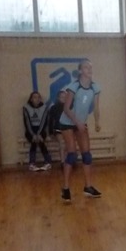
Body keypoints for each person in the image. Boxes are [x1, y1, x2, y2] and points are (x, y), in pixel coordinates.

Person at [57, 59, 102, 203]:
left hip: (81, 123)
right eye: (86, 67)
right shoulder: (74, 86)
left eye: (90, 67)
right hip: (67, 122)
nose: (89, 69)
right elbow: (66, 108)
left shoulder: (95, 87)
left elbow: (96, 107)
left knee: (87, 155)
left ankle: (88, 187)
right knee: (71, 154)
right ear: (80, 71)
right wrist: (77, 123)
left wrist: (97, 121)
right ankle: (65, 188)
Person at [23, 91, 52, 171]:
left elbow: (44, 121)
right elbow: (27, 122)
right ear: (31, 99)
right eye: (35, 97)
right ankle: (32, 164)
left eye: (38, 97)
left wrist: (39, 134)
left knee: (40, 141)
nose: (37, 99)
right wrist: (33, 135)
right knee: (34, 141)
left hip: (41, 130)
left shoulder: (44, 108)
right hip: (30, 130)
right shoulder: (26, 108)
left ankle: (48, 162)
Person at [46, 89, 67, 165]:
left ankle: (69, 160)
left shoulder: (70, 107)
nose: (64, 98)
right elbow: (50, 120)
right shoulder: (54, 108)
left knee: (69, 144)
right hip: (58, 128)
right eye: (62, 97)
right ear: (58, 98)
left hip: (68, 129)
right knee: (62, 143)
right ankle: (63, 161)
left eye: (65, 97)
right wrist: (50, 132)